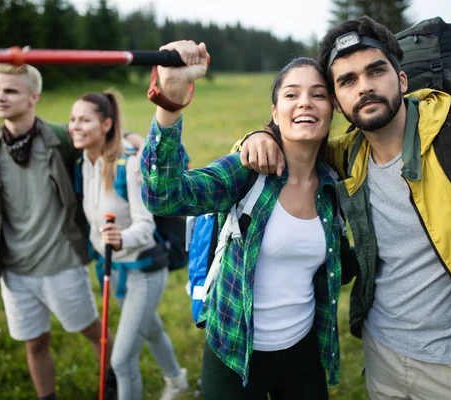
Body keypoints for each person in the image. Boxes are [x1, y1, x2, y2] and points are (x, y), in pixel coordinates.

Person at [239, 16, 451, 400]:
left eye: (375, 71)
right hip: (381, 354)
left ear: (401, 80)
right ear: (337, 102)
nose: (365, 87)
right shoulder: (346, 154)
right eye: (347, 80)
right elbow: (296, 136)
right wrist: (259, 134)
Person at [140, 40, 344, 400]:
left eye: (318, 94)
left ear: (332, 109)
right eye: (292, 95)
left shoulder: (335, 183)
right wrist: (169, 104)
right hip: (233, 351)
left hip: (303, 352)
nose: (305, 103)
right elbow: (164, 195)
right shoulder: (246, 171)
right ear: (275, 111)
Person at [0, 63, 143, 400]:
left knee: (92, 331)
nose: (0, 97)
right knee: (35, 342)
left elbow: (105, 136)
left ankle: (115, 384)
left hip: (61, 262)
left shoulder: (60, 139)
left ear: (33, 97)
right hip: (14, 270)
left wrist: (137, 140)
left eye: (10, 91)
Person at [68, 89, 189, 400]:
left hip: (144, 271)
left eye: (84, 120)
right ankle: (177, 380)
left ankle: (174, 380)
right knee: (151, 329)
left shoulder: (130, 164)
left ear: (106, 124)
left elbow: (146, 226)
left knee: (121, 361)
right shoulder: (84, 162)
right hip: (113, 269)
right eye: (72, 120)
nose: (75, 126)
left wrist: (122, 238)